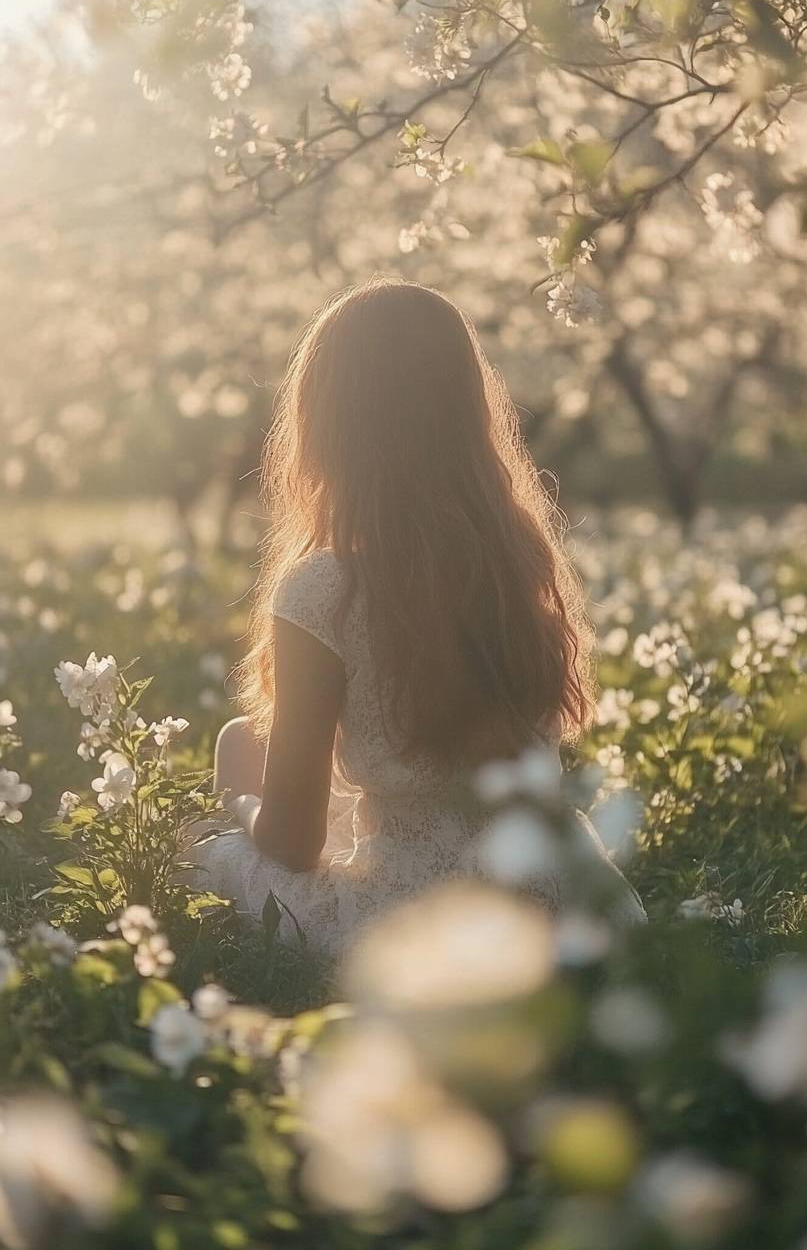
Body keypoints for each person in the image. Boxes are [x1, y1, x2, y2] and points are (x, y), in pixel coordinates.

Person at [193, 279, 645, 954]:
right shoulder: (516, 565)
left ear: (325, 424)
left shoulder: (326, 588)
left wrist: (238, 812)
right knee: (242, 737)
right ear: (466, 413)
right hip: (564, 903)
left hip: (422, 928)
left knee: (211, 838)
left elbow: (291, 844)